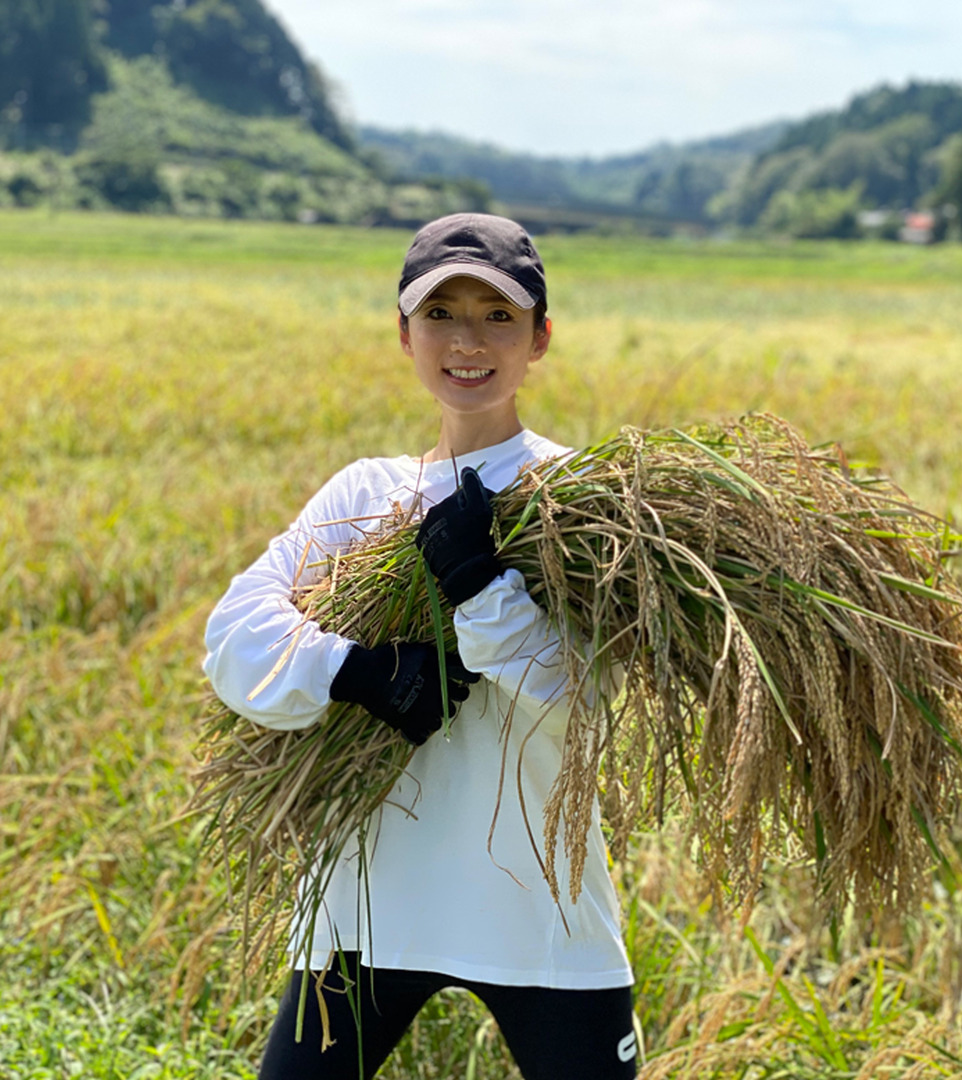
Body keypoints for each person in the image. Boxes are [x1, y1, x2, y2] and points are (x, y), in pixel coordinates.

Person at [202, 214, 638, 1079]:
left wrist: (479, 587)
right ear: (405, 335)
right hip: (366, 907)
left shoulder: (586, 506)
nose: (467, 340)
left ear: (541, 339)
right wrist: (357, 673)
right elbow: (234, 639)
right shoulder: (367, 493)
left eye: (499, 317)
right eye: (441, 314)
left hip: (538, 907)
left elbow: (584, 695)